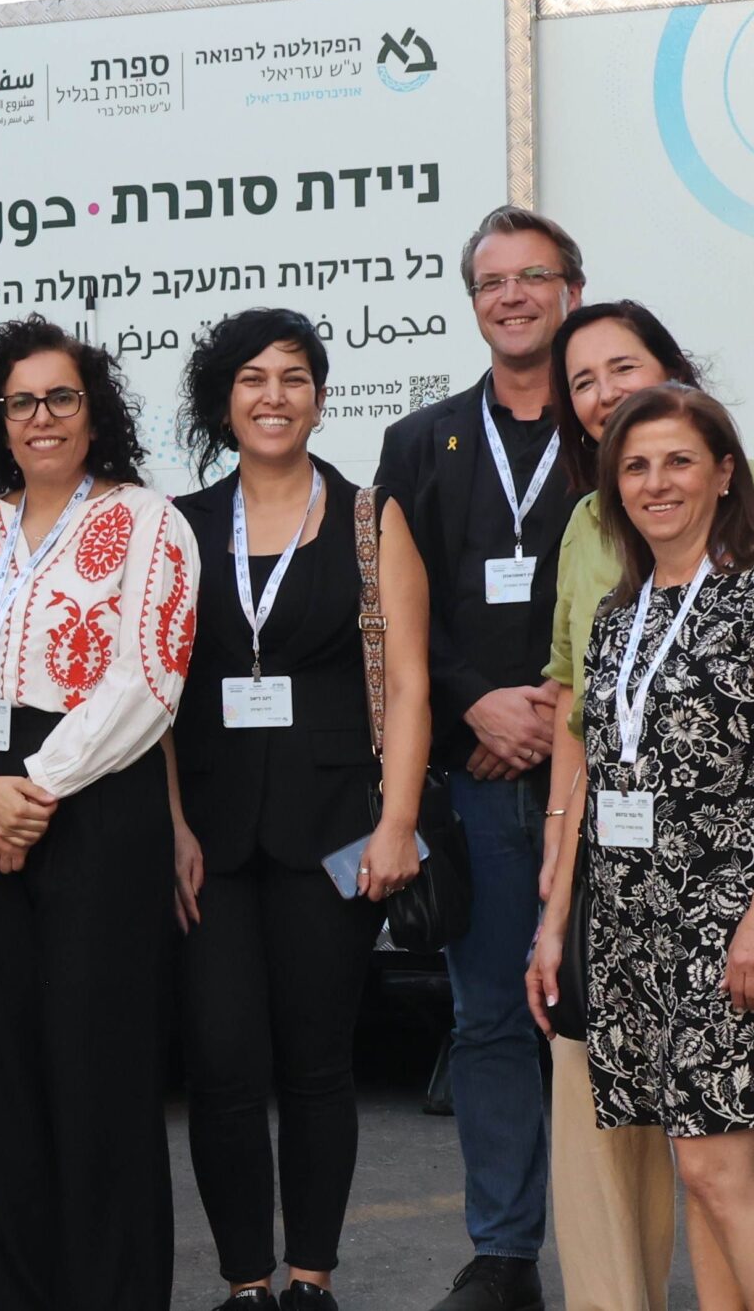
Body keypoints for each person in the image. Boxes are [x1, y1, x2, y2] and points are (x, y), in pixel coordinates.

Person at [534, 301, 754, 1311]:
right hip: (637, 920)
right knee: (696, 1161)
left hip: (733, 912)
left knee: (717, 1169)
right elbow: (595, 765)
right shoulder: (622, 610)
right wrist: (559, 918)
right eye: (635, 467)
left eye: (677, 462)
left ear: (723, 473)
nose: (655, 483)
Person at [0, 314, 202, 1311]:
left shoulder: (150, 521)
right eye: (21, 401)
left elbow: (146, 681)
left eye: (61, 397)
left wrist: (30, 791)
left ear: (93, 410)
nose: (42, 417)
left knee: (100, 1076)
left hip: (97, 809)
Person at [163, 310, 427, 1311]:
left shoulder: (370, 516)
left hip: (334, 829)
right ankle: (244, 1281)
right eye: (252, 379)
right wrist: (172, 826)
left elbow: (409, 683)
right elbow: (155, 693)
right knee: (222, 1063)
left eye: (293, 378)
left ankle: (310, 1276)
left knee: (318, 1063)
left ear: (318, 397)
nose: (272, 396)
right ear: (223, 400)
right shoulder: (180, 525)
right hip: (210, 836)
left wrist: (397, 821)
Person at [372, 206, 581, 1311]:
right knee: (491, 1020)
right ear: (472, 302)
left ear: (570, 291)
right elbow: (400, 625)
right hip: (479, 783)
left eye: (532, 276)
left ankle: (613, 1256)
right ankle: (504, 1254)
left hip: (607, 779)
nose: (512, 296)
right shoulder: (420, 443)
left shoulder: (616, 424)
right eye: (492, 281)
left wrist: (554, 710)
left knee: (609, 1022)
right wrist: (478, 706)